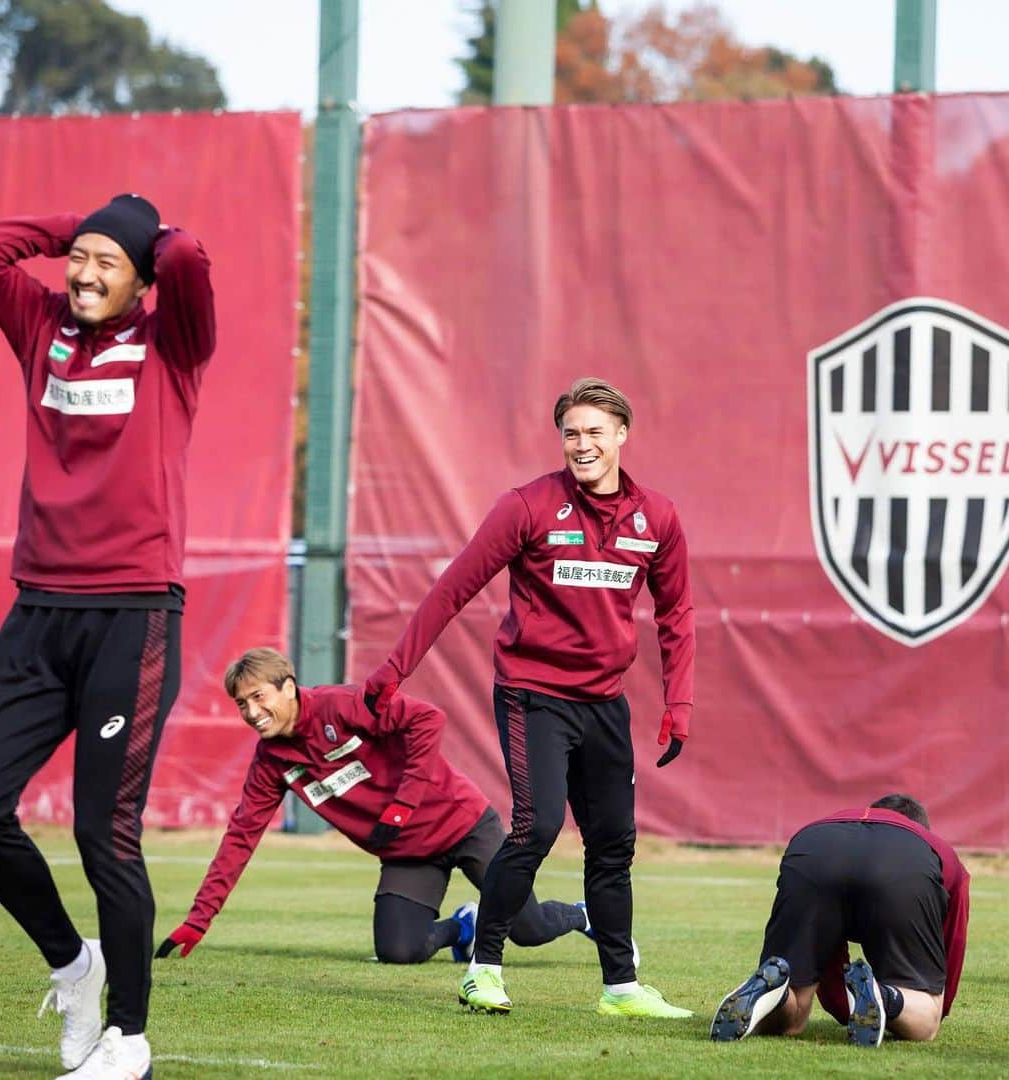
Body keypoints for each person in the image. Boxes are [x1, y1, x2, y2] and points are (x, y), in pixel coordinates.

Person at [0, 194, 216, 1080]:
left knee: (107, 834)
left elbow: (191, 263)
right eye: (78, 259)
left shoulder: (171, 345)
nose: (85, 273)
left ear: (141, 279)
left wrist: (144, 234)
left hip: (133, 614)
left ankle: (128, 1041)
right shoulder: (40, 326)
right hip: (39, 612)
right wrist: (84, 227)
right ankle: (74, 966)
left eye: (109, 263)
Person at [364, 377, 695, 1018]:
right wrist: (391, 670)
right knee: (536, 826)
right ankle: (483, 969)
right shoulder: (527, 506)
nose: (582, 444)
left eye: (596, 431)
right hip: (532, 695)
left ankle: (621, 988)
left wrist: (678, 705)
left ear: (622, 435)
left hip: (605, 702)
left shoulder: (657, 517)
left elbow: (677, 611)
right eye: (571, 432)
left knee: (613, 842)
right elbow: (451, 590)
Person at [156, 648, 596, 970]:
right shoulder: (272, 760)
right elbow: (241, 837)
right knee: (399, 951)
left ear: (288, 687)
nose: (251, 712)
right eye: (241, 704)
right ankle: (465, 927)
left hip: (463, 825)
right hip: (407, 853)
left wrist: (401, 808)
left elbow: (428, 719)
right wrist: (198, 920)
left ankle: (583, 913)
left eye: (258, 697)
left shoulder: (339, 706)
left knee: (529, 931)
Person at [710, 794, 970, 1047]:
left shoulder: (838, 822)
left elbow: (823, 947)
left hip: (813, 846)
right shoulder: (933, 846)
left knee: (795, 1016)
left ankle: (772, 995)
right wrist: (936, 1005)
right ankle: (886, 996)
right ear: (921, 828)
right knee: (926, 1019)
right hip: (904, 869)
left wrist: (841, 1007)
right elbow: (953, 940)